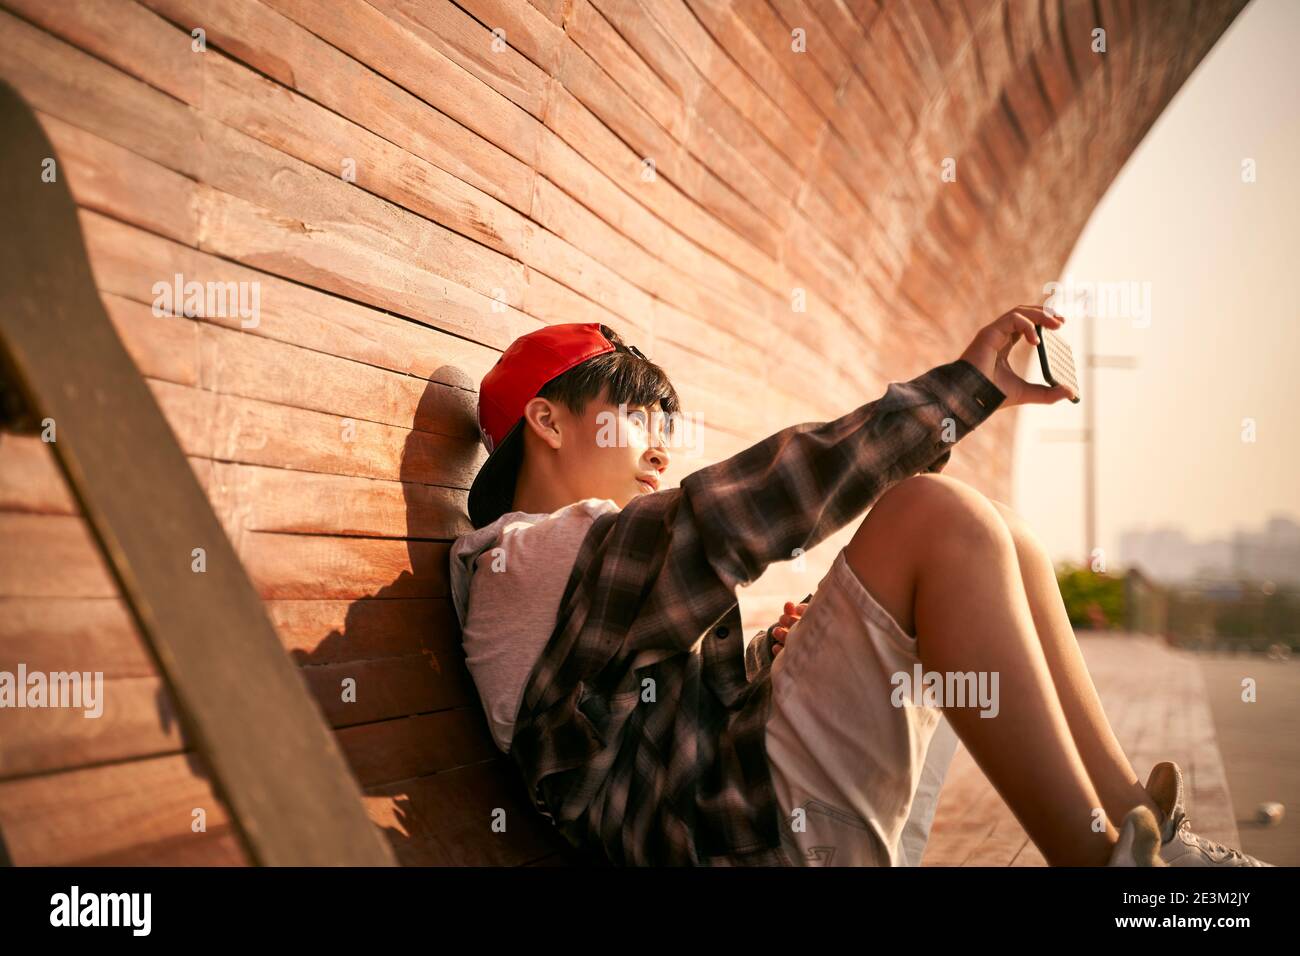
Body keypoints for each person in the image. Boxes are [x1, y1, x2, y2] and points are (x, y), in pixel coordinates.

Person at [449, 313, 1271, 867]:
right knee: (934, 519)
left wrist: (779, 655)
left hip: (745, 814)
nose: (662, 452)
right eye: (637, 419)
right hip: (743, 836)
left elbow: (635, 727)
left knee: (1002, 533)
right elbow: (733, 518)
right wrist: (957, 395)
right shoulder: (523, 560)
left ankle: (1157, 842)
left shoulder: (565, 571)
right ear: (549, 423)